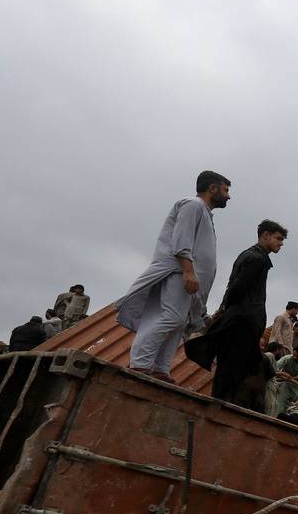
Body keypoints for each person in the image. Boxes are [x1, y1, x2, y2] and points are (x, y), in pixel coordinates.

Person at [119, 171, 228, 380]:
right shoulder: (192, 205)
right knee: (171, 317)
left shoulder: (204, 212)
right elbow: (181, 240)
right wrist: (188, 271)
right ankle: (140, 363)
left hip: (190, 280)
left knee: (179, 324)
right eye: (225, 190)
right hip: (180, 273)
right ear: (212, 188)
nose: (228, 196)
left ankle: (161, 369)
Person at [201, 219, 288, 410]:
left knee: (233, 366)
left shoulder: (251, 255)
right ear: (265, 235)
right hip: (242, 321)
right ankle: (222, 406)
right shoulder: (256, 259)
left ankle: (223, 404)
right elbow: (238, 287)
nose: (281, 243)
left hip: (240, 318)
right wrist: (227, 310)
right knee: (233, 367)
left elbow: (233, 287)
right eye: (278, 238)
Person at [266, 342, 298, 416]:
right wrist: (285, 376)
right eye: (294, 355)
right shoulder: (282, 358)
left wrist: (289, 378)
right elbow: (274, 371)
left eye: (297, 356)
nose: (294, 357)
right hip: (284, 382)